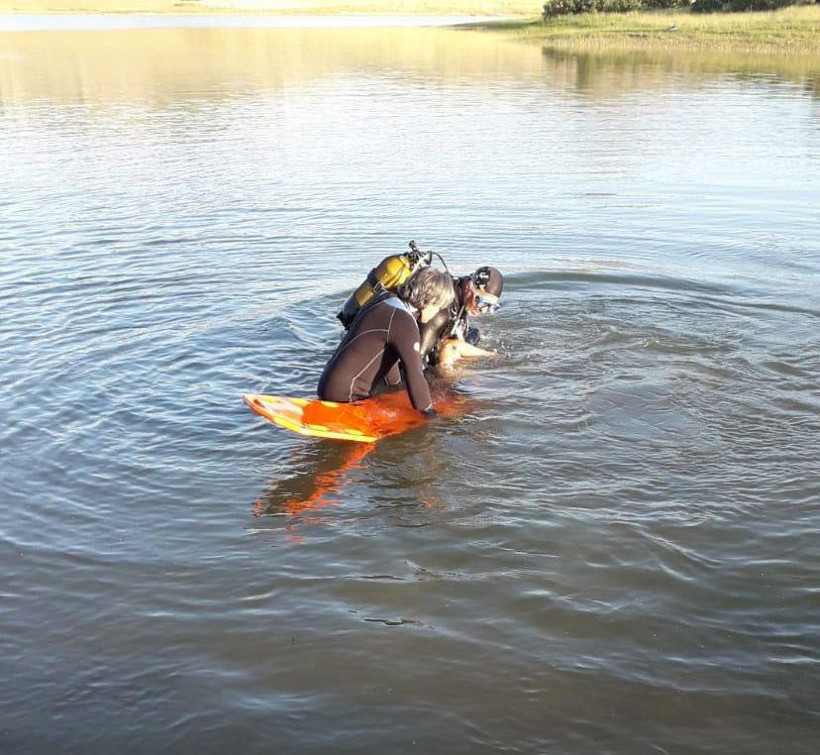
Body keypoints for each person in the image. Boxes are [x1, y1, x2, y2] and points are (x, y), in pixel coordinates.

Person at [317, 267, 455, 416]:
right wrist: (429, 415)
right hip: (346, 396)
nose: (437, 312)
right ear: (430, 300)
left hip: (328, 384)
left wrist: (395, 390)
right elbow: (415, 376)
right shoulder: (404, 322)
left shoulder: (386, 298)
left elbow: (387, 358)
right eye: (439, 307)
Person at [419, 266, 503, 368]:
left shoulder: (461, 294)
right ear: (469, 287)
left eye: (489, 305)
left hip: (441, 338)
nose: (483, 310)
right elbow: (418, 361)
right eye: (482, 302)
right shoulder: (442, 311)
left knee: (474, 335)